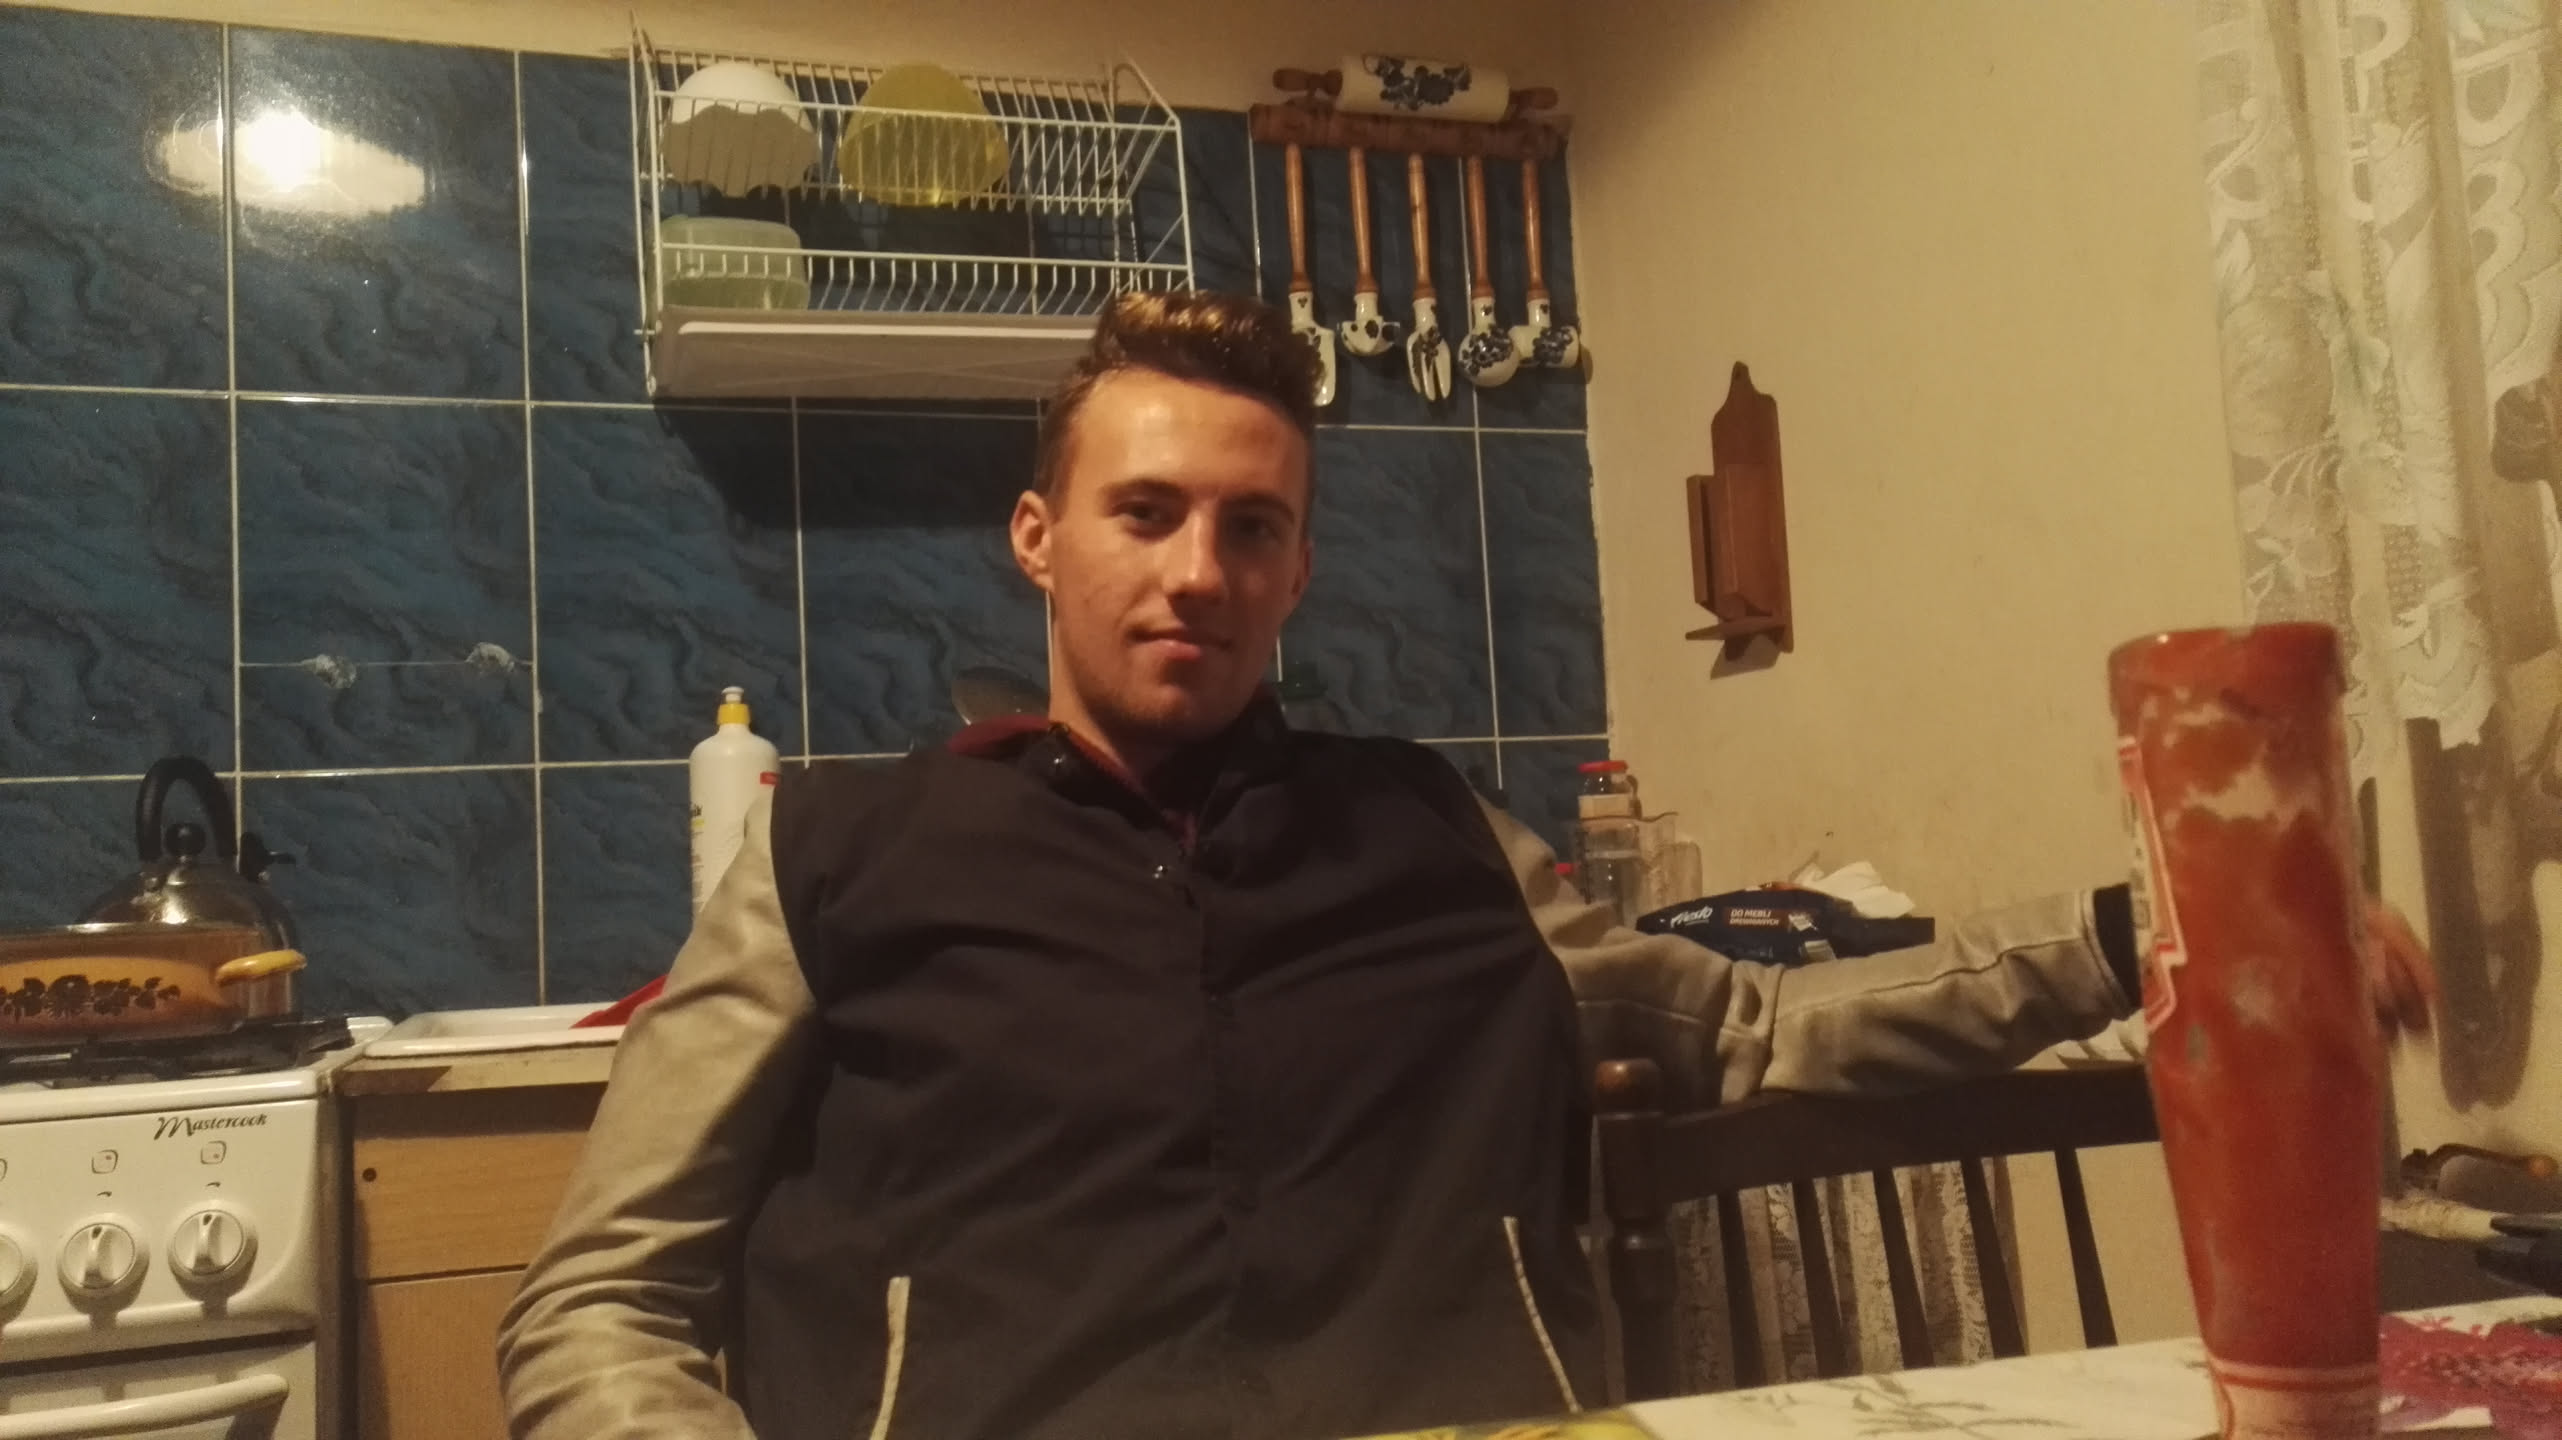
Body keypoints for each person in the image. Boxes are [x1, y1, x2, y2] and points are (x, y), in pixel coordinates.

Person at [495, 291, 2432, 1440]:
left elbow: (1758, 1032)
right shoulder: (838, 851)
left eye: (1252, 527)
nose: (1196, 573)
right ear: (1037, 538)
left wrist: (2158, 927)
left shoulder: (1431, 835)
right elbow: (597, 1309)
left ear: (1299, 569)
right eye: (1144, 513)